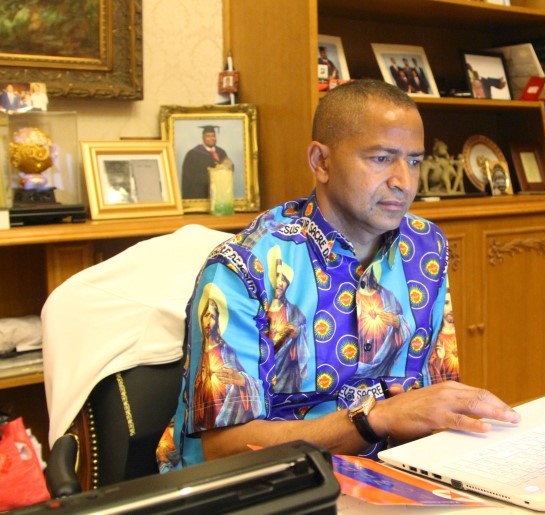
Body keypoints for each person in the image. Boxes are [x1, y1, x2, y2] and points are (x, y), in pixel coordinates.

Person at [157, 79, 520, 472]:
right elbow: (225, 449)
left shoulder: (426, 247)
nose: (404, 182)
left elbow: (432, 398)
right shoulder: (242, 268)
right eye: (381, 159)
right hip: (255, 492)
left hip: (382, 480)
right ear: (321, 162)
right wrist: (373, 418)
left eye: (414, 161)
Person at [181, 125, 230, 199]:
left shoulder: (221, 152)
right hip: (200, 194)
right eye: (208, 136)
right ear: (203, 138)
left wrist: (225, 167)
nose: (211, 138)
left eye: (213, 136)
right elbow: (189, 177)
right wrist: (211, 175)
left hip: (219, 194)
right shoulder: (192, 154)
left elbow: (230, 169)